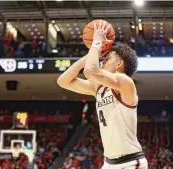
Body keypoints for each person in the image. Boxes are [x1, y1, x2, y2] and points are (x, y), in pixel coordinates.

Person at [57, 20, 148, 169]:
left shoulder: (125, 82)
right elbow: (63, 81)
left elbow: (90, 71)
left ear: (119, 64)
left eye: (108, 58)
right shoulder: (98, 88)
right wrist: (88, 56)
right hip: (109, 163)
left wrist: (96, 44)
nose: (103, 60)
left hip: (130, 162)